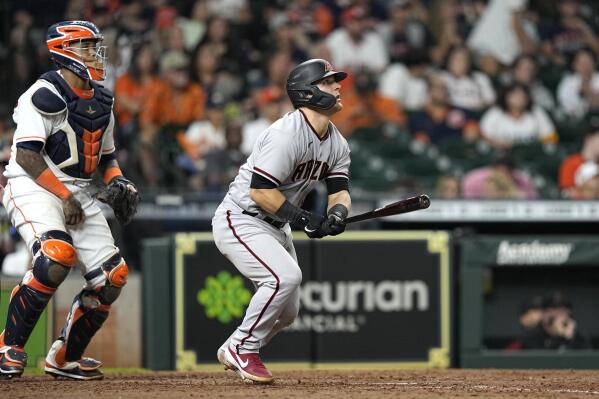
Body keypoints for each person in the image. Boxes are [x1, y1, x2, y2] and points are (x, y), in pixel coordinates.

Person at [0, 21, 139, 380]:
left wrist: (119, 181)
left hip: (77, 189)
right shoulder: (43, 93)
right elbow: (28, 156)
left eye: (95, 47)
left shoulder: (103, 99)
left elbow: (106, 158)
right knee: (55, 256)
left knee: (112, 277)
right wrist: (65, 197)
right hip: (32, 185)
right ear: (65, 52)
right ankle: (8, 347)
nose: (95, 54)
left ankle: (64, 358)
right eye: (87, 47)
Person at [211, 59, 351, 384]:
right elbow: (260, 192)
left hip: (276, 225)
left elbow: (340, 191)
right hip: (242, 216)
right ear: (308, 92)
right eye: (329, 82)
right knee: (284, 277)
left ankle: (235, 345)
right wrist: (305, 218)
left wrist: (337, 214)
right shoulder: (285, 134)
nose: (338, 86)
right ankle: (243, 348)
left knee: (287, 314)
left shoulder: (337, 143)